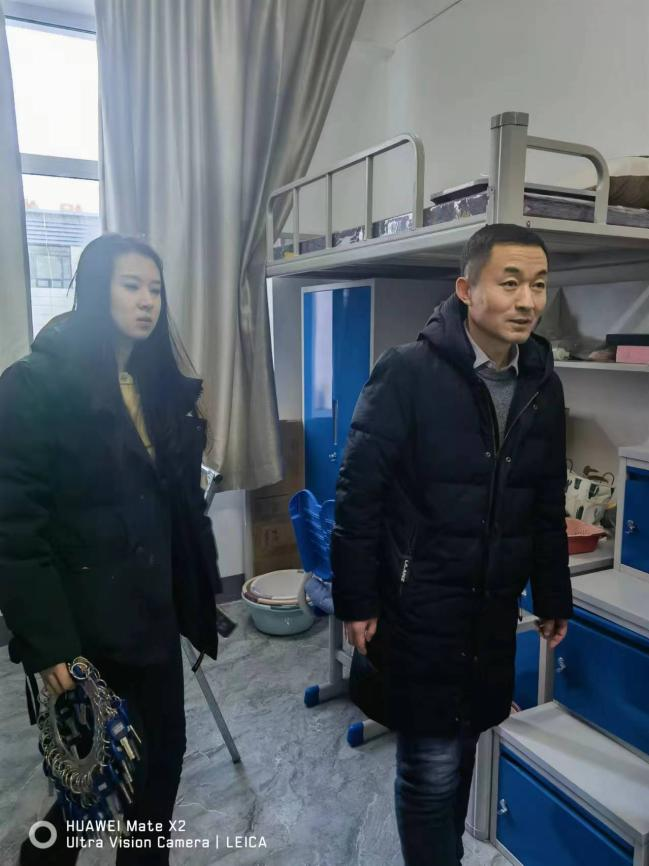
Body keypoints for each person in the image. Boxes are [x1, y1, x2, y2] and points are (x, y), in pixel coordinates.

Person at [331, 223, 572, 866]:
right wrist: (357, 600)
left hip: (490, 610)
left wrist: (553, 592)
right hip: (420, 608)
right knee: (431, 770)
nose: (527, 300)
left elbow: (546, 501)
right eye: (510, 283)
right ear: (466, 290)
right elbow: (358, 495)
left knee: (462, 751)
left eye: (539, 285)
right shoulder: (407, 373)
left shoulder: (542, 387)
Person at [0, 233, 222, 865]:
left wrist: (196, 595)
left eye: (155, 289)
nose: (147, 301)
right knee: (88, 782)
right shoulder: (36, 387)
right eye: (131, 286)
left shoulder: (158, 385)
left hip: (152, 615)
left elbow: (177, 510)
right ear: (97, 289)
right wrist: (49, 643)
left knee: (162, 762)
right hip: (84, 627)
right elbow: (13, 527)